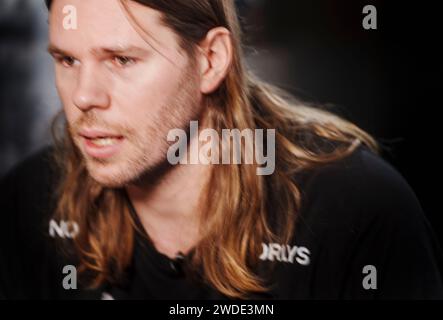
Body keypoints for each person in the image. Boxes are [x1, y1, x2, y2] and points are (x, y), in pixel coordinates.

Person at [0, 0, 442, 300]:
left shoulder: (355, 211)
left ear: (210, 60)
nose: (83, 97)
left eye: (121, 60)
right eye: (67, 60)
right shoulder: (30, 200)